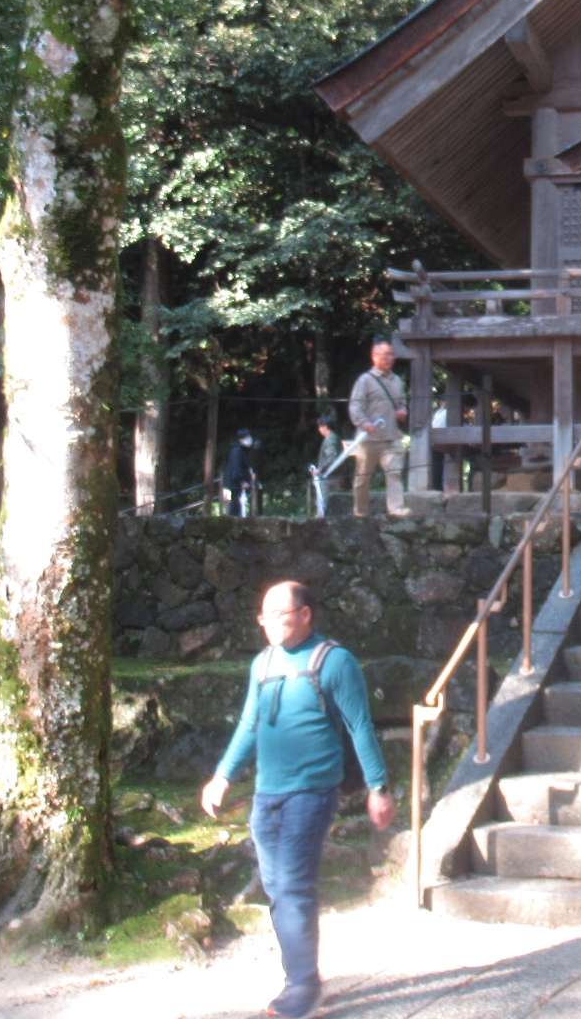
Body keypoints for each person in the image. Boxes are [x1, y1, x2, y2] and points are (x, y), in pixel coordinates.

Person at [202, 581, 395, 1019]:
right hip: (267, 794)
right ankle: (302, 977)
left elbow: (360, 726)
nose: (269, 625)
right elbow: (249, 724)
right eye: (264, 617)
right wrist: (222, 777)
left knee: (292, 885)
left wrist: (377, 788)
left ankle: (302, 986)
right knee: (276, 888)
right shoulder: (263, 664)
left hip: (312, 792)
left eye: (280, 615)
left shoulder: (334, 662)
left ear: (306, 614)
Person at [348, 337, 408, 517]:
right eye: (385, 354)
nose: (389, 358)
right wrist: (364, 422)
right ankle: (360, 512)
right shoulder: (365, 380)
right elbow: (355, 406)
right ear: (374, 356)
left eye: (391, 354)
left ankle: (396, 509)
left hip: (391, 437)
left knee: (395, 473)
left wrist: (402, 411)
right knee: (362, 479)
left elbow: (402, 403)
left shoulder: (397, 381)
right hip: (369, 440)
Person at [222, 429, 261, 517]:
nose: (249, 440)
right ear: (241, 440)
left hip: (232, 485)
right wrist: (242, 481)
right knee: (234, 510)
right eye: (246, 438)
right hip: (233, 486)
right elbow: (236, 469)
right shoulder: (237, 451)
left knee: (235, 509)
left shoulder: (241, 450)